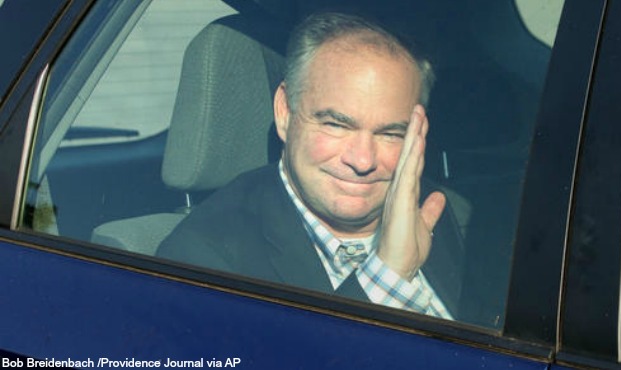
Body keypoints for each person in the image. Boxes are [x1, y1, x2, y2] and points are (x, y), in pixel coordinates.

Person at [157, 12, 463, 319]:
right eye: (336, 125)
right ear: (285, 112)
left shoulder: (434, 211)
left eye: (390, 134)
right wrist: (388, 275)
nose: (363, 161)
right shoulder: (203, 259)